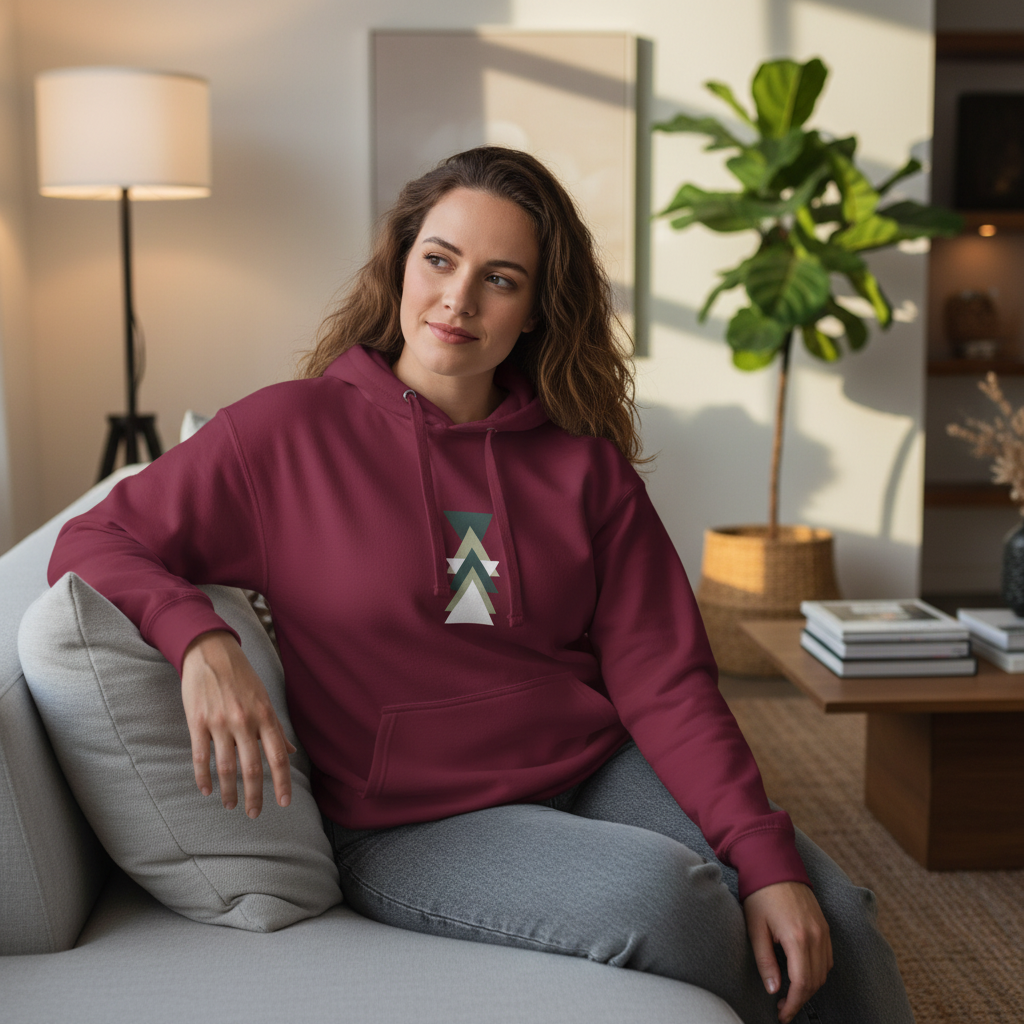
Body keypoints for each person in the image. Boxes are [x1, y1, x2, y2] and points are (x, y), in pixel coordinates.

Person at [48, 147, 914, 1024]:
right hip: (413, 826)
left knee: (829, 907)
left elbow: (669, 683)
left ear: (537, 309)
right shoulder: (284, 435)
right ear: (400, 266)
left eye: (501, 278)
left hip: (594, 769)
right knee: (669, 900)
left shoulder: (584, 468)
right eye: (440, 260)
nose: (459, 299)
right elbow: (93, 539)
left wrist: (762, 853)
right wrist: (200, 638)